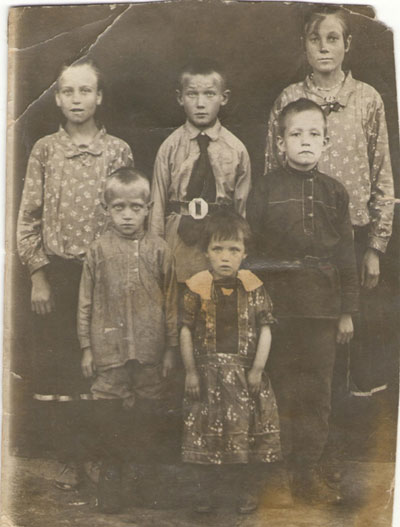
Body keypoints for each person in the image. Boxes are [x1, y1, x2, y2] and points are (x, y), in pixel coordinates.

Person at [264, 5, 395, 397]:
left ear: (347, 44)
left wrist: (375, 246)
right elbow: (272, 172)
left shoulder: (367, 99)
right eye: (315, 39)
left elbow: (382, 175)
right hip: (300, 241)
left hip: (352, 236)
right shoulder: (289, 98)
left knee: (349, 326)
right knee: (307, 335)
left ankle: (349, 414)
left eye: (332, 38)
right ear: (304, 46)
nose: (323, 48)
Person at [16, 58, 133, 490]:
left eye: (86, 90)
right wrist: (38, 275)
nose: (77, 99)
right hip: (59, 276)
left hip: (104, 278)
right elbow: (28, 218)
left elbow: (130, 214)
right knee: (63, 368)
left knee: (102, 368)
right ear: (57, 98)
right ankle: (70, 459)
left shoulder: (117, 151)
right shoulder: (45, 150)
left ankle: (101, 458)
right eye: (68, 91)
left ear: (99, 97)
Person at [248, 98, 359, 504]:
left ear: (326, 142)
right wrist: (256, 307)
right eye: (296, 134)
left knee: (316, 391)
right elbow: (250, 251)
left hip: (322, 310)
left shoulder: (335, 192)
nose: (305, 141)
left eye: (314, 134)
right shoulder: (265, 189)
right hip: (276, 309)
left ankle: (307, 470)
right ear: (281, 143)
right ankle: (276, 473)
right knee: (278, 388)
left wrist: (346, 311)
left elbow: (346, 256)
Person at [77, 167, 178, 514]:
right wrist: (87, 348)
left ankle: (143, 480)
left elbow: (171, 303)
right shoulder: (97, 251)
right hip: (109, 349)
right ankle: (111, 479)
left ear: (149, 208)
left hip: (151, 350)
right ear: (106, 209)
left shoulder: (160, 250)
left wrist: (170, 349)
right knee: (109, 414)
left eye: (136, 207)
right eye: (118, 207)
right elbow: (85, 302)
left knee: (148, 414)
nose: (127, 216)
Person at [180, 210, 281, 514]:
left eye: (234, 250)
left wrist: (258, 369)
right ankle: (205, 493)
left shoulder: (254, 286)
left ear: (245, 253)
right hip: (207, 376)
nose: (225, 257)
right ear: (206, 252)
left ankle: (244, 491)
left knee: (243, 430)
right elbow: (185, 329)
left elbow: (266, 329)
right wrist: (191, 372)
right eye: (218, 249)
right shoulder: (196, 286)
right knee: (205, 431)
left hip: (244, 375)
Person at [149, 58, 252, 285]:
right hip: (179, 238)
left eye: (209, 94)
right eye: (192, 94)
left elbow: (242, 207)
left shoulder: (236, 149)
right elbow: (157, 203)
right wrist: (156, 252)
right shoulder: (170, 147)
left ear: (224, 98)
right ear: (180, 98)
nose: (200, 103)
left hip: (220, 239)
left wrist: (239, 250)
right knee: (179, 297)